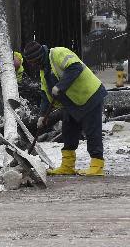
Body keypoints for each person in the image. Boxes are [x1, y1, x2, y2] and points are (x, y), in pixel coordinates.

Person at [22, 40, 106, 177]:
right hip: (71, 104)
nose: (32, 65)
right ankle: (67, 166)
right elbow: (45, 95)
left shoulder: (58, 53)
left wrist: (60, 86)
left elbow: (75, 68)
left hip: (89, 96)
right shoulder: (44, 71)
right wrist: (43, 116)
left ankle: (97, 166)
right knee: (68, 132)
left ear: (39, 56)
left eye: (32, 61)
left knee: (92, 131)